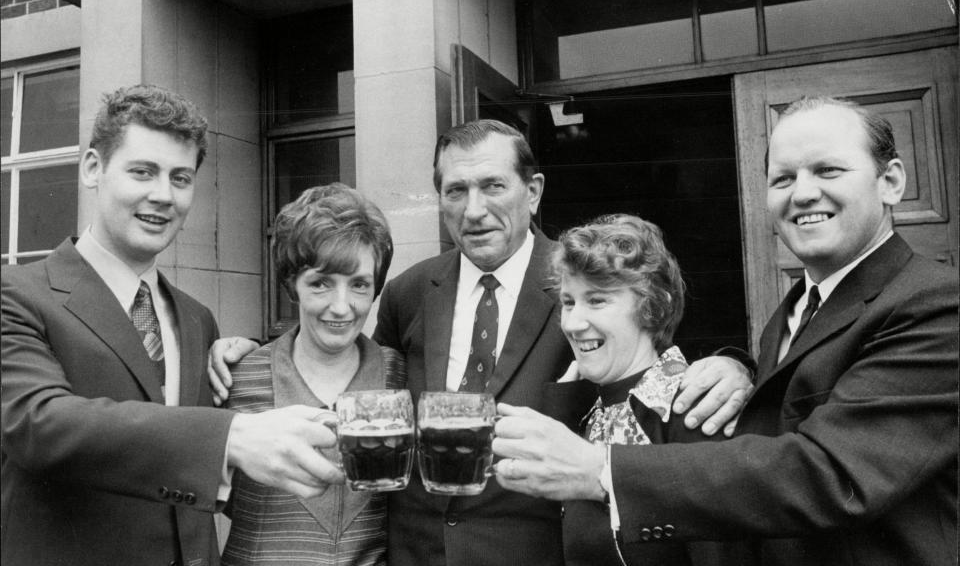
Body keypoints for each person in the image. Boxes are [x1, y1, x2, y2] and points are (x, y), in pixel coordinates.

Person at [207, 119, 755, 566]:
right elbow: (356, 367)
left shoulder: (579, 283)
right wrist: (249, 352)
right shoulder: (409, 290)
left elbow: (650, 354)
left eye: (493, 185)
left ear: (533, 192)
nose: (474, 209)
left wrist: (734, 365)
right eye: (456, 190)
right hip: (412, 554)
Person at [491, 97, 959, 566]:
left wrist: (600, 469)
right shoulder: (796, 308)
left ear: (891, 182)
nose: (802, 193)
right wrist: (742, 366)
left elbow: (833, 474)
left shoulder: (935, 302)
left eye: (829, 170)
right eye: (783, 178)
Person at [1, 84, 344, 566]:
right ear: (93, 168)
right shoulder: (15, 293)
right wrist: (229, 435)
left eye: (180, 178)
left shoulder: (196, 319)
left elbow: (189, 466)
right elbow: (35, 424)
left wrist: (251, 368)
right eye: (143, 172)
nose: (163, 195)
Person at [220, 183, 402, 566]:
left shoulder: (401, 376)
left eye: (359, 285)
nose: (342, 307)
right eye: (321, 283)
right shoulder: (234, 379)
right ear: (292, 285)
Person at [542, 213, 723, 566]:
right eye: (568, 302)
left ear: (652, 308)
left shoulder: (692, 409)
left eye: (596, 300)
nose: (573, 323)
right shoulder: (585, 409)